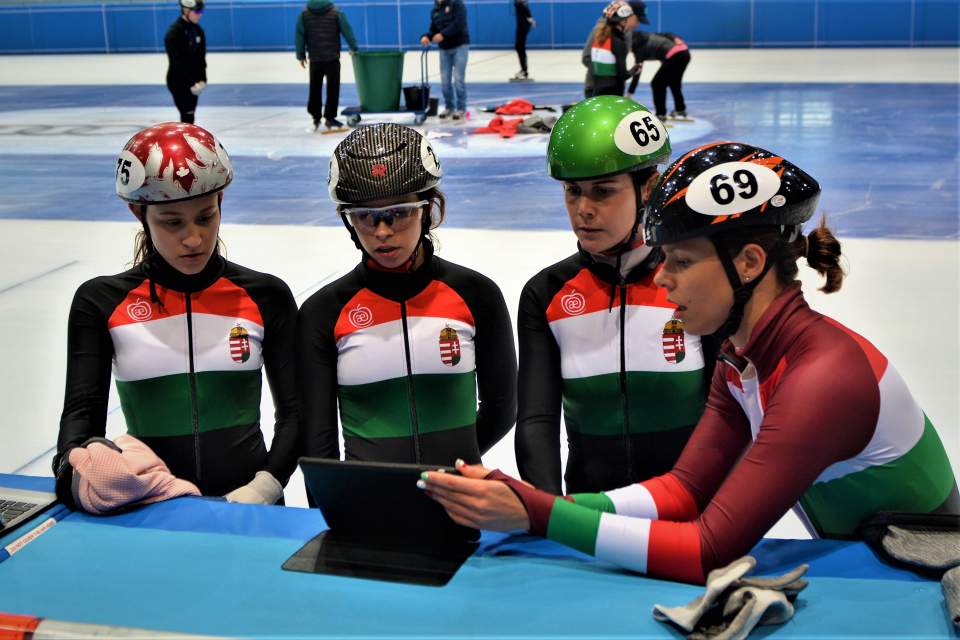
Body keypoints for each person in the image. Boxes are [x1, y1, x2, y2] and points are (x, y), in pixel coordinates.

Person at [421, 141, 959, 585]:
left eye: (679, 260)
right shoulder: (743, 357)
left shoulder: (822, 377)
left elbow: (708, 550)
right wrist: (534, 501)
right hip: (882, 566)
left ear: (748, 263)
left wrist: (539, 514)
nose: (661, 278)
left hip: (926, 578)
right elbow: (682, 491)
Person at [55, 123, 301, 505]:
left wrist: (265, 487)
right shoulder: (99, 302)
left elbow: (297, 414)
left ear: (221, 202)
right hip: (153, 509)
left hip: (252, 506)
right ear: (139, 212)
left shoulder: (266, 296)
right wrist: (74, 474)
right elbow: (81, 420)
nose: (193, 238)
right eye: (172, 222)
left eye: (206, 217)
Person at [514, 96, 714, 496]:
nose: (583, 209)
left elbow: (731, 415)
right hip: (590, 515)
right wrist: (551, 514)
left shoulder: (698, 282)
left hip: (688, 512)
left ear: (649, 189)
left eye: (603, 191)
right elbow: (537, 419)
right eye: (573, 191)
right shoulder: (546, 294)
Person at [298, 123, 517, 465]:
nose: (382, 231)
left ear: (427, 209)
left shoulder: (477, 294)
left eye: (399, 213)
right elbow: (318, 441)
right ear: (348, 221)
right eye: (365, 216)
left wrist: (455, 469)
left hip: (458, 496)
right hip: (366, 500)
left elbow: (503, 408)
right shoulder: (323, 312)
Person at [294, 0, 358, 131]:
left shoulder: (304, 15)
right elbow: (347, 31)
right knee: (333, 88)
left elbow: (299, 35)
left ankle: (315, 117)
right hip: (332, 58)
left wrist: (301, 55)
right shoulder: (336, 12)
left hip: (315, 59)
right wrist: (354, 47)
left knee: (315, 88)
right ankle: (330, 118)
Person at [581, 1, 647, 98]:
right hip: (598, 88)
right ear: (628, 16)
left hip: (609, 88)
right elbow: (586, 58)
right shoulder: (602, 32)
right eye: (637, 20)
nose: (638, 25)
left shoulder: (625, 33)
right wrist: (608, 75)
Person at [419, 0, 470, 120]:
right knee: (445, 81)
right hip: (444, 48)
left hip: (460, 45)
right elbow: (433, 30)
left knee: (458, 78)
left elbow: (459, 23)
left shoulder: (457, 3)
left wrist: (443, 34)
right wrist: (426, 36)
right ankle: (449, 107)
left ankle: (461, 109)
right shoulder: (435, 10)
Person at [627, 30, 691, 120]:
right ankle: (680, 109)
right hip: (685, 52)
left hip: (675, 55)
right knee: (674, 82)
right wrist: (675, 37)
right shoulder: (649, 36)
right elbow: (666, 35)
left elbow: (637, 72)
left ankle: (660, 114)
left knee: (657, 84)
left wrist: (630, 93)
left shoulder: (639, 49)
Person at [164, 0, 207, 124]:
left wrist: (203, 79)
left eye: (201, 11)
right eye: (197, 11)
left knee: (190, 115)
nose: (200, 15)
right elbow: (177, 62)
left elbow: (200, 58)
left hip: (194, 80)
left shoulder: (198, 30)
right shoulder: (174, 33)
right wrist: (191, 83)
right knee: (187, 114)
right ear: (186, 10)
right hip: (178, 81)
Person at [511, 0, 535, 81]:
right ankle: (523, 70)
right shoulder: (518, 6)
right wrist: (532, 22)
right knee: (518, 47)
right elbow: (530, 18)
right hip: (520, 28)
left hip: (523, 29)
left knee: (520, 47)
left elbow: (529, 17)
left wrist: (532, 22)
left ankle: (524, 71)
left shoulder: (523, 7)